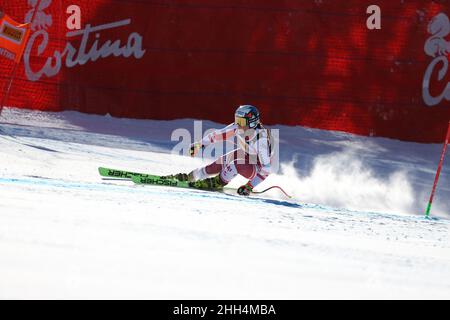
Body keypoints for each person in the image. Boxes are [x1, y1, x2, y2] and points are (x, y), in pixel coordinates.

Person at [167, 105, 274, 196]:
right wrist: (199, 144)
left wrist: (249, 186)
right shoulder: (237, 127)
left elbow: (266, 169)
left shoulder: (261, 140)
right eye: (237, 120)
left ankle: (217, 182)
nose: (238, 124)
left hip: (257, 169)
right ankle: (192, 177)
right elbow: (217, 135)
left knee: (237, 163)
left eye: (241, 121)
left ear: (252, 122)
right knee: (219, 163)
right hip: (247, 155)